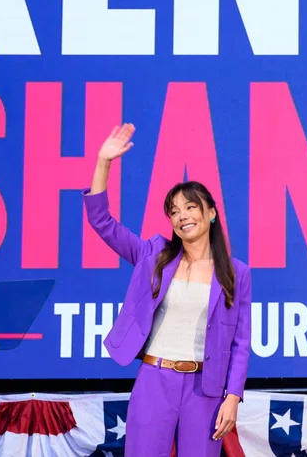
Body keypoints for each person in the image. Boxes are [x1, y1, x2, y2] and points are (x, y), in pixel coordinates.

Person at [82, 123, 252, 456]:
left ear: (211, 213)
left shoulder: (236, 273)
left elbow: (241, 342)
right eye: (174, 211)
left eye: (190, 207)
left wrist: (233, 396)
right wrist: (103, 162)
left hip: (205, 389)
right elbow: (102, 221)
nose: (182, 216)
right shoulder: (153, 255)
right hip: (154, 379)